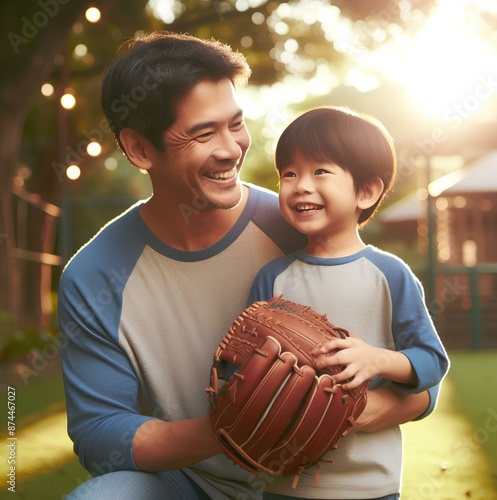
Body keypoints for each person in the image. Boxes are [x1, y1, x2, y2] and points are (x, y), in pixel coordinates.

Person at [58, 32, 437, 500]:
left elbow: (422, 381)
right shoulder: (94, 276)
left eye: (235, 123)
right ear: (139, 148)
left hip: (301, 484)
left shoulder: (301, 225)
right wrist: (242, 424)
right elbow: (99, 434)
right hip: (188, 483)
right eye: (203, 133)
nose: (231, 148)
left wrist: (352, 407)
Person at [248, 106, 450, 499]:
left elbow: (432, 361)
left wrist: (377, 359)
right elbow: (249, 364)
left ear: (366, 191)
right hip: (282, 484)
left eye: (320, 171)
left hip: (369, 485)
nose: (300, 185)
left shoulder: (390, 274)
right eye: (289, 173)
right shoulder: (271, 278)